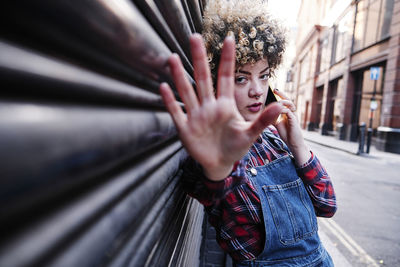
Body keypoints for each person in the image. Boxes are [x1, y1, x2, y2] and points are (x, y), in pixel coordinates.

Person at [159, 0, 337, 266]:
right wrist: (220, 168)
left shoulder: (275, 140)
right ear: (216, 82)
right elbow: (212, 186)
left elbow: (327, 205)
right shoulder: (213, 148)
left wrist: (298, 147)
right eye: (241, 78)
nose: (257, 90)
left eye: (264, 76)